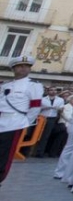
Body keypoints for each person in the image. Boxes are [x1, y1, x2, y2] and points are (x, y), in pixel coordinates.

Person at [0, 54, 44, 186]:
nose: (23, 69)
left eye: (26, 66)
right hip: (2, 119)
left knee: (5, 154)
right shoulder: (6, 85)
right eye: (20, 66)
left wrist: (24, 122)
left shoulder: (33, 85)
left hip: (14, 122)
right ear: (14, 68)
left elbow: (35, 107)